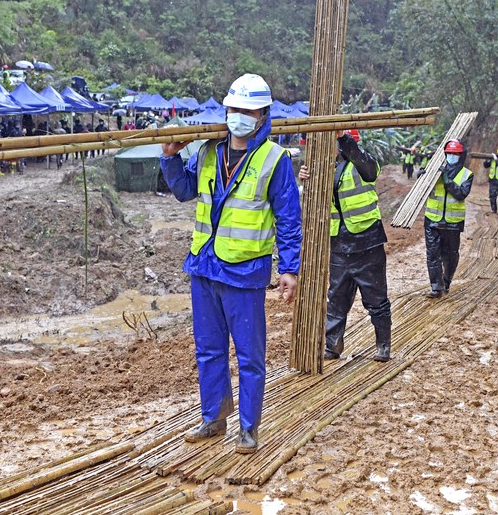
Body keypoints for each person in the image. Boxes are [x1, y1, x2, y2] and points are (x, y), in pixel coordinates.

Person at [160, 73, 302, 454]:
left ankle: (249, 428)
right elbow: (183, 191)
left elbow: (289, 218)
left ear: (262, 115)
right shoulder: (208, 151)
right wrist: (171, 157)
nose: (238, 116)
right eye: (233, 109)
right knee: (208, 350)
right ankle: (213, 418)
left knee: (250, 355)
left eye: (247, 110)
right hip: (205, 267)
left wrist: (289, 268)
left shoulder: (275, 160)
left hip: (244, 272)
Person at [298, 129, 392, 362]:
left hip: (367, 241)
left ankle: (383, 345)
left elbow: (366, 166)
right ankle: (333, 345)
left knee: (376, 298)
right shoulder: (325, 168)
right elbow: (312, 203)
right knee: (337, 298)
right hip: (339, 243)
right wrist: (307, 182)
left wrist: (343, 138)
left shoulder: (364, 163)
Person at [424, 139, 473, 298]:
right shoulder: (434, 171)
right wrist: (422, 176)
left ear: (461, 155)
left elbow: (461, 194)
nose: (452, 156)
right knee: (433, 254)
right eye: (449, 153)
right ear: (444, 154)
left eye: (456, 153)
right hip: (432, 220)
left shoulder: (466, 174)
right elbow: (423, 187)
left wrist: (447, 181)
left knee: (451, 255)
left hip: (453, 223)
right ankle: (436, 287)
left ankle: (446, 281)